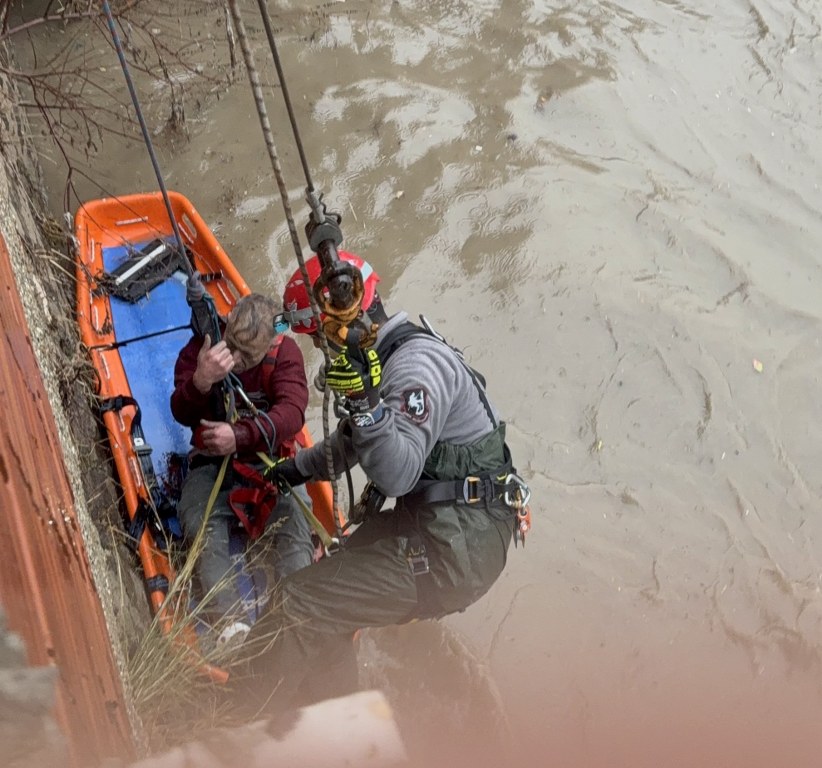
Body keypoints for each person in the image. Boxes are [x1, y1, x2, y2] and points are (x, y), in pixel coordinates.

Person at [239, 251, 530, 708]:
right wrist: (291, 470)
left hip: (456, 550)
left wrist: (366, 404)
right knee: (327, 590)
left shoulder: (414, 368)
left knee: (297, 602)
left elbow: (397, 474)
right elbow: (354, 444)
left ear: (334, 327)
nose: (322, 351)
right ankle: (331, 711)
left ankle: (230, 719)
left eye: (318, 340)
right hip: (447, 526)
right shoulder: (385, 360)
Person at [170, 292, 315, 644]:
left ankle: (297, 622)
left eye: (246, 356)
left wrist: (241, 434)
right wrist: (202, 380)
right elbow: (181, 411)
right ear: (229, 320)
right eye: (231, 345)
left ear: (269, 345)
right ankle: (231, 623)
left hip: (269, 467)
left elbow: (292, 413)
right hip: (214, 465)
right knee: (201, 525)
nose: (232, 360)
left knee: (296, 532)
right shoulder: (204, 346)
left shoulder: (284, 354)